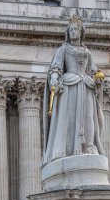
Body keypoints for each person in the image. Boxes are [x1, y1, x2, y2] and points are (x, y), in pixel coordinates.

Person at [42, 16, 105, 165]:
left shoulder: (87, 52)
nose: (73, 32)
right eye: (71, 30)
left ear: (81, 32)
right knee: (67, 118)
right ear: (68, 33)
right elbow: (56, 67)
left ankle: (89, 145)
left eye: (76, 29)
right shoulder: (63, 49)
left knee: (88, 117)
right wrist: (54, 79)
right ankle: (66, 148)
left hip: (85, 85)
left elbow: (93, 70)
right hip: (69, 85)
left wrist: (98, 80)